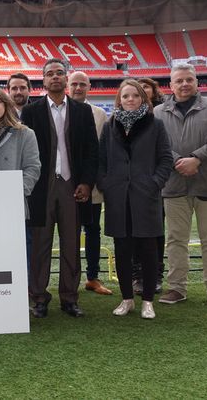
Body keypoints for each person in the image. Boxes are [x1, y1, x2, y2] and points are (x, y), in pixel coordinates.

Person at [21, 59, 99, 318]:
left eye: (59, 73)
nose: (55, 77)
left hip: (72, 186)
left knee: (70, 244)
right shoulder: (31, 112)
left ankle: (69, 298)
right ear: (43, 81)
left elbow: (91, 151)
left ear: (66, 79)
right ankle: (39, 298)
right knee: (40, 246)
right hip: (42, 187)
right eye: (49, 74)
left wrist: (87, 183)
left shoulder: (81, 111)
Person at [154, 64, 207, 308]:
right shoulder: (158, 112)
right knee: (175, 239)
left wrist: (197, 158)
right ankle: (177, 287)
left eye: (189, 79)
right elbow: (156, 145)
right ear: (171, 85)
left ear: (196, 82)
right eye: (179, 80)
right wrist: (179, 161)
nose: (184, 84)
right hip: (174, 184)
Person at [98, 80, 173, 319]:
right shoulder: (110, 127)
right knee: (122, 250)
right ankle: (127, 299)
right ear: (119, 100)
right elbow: (100, 162)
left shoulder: (156, 125)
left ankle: (148, 301)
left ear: (143, 98)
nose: (130, 99)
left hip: (146, 197)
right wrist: (107, 185)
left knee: (149, 250)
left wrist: (153, 184)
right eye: (125, 96)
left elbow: (165, 160)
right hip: (118, 198)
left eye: (135, 95)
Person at [68, 71, 112, 296]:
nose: (77, 88)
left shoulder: (100, 114)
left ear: (89, 87)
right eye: (74, 84)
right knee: (67, 232)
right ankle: (69, 278)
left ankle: (92, 277)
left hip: (90, 184)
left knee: (92, 229)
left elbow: (102, 151)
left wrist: (96, 180)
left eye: (81, 84)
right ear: (68, 85)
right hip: (63, 183)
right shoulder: (57, 110)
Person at [134, 77, 167, 294]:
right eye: (137, 88)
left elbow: (164, 152)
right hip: (133, 186)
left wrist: (156, 181)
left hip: (156, 185)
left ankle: (155, 274)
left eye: (146, 87)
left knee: (156, 232)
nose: (142, 91)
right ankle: (137, 275)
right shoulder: (121, 119)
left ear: (154, 91)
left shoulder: (161, 115)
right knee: (134, 232)